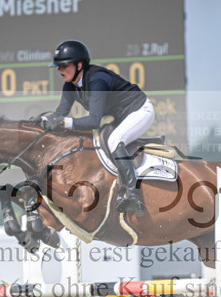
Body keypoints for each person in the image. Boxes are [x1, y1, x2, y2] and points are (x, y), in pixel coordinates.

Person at [42, 39, 154, 217]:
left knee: (114, 141)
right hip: (121, 116)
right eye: (58, 66)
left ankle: (133, 194)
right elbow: (60, 113)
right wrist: (44, 121)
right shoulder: (69, 86)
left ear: (79, 65)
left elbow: (94, 120)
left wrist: (66, 122)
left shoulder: (97, 79)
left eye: (64, 65)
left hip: (140, 111)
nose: (59, 70)